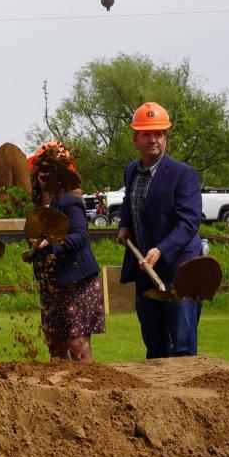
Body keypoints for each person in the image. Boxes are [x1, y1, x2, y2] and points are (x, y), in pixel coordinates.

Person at [118, 102, 203, 358]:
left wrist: (161, 250)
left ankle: (187, 397)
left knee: (183, 345)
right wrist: (124, 225)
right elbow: (128, 201)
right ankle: (158, 398)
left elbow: (189, 222)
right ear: (136, 138)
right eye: (147, 133)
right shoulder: (131, 171)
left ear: (165, 137)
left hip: (179, 272)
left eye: (159, 133)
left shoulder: (184, 174)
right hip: (147, 271)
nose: (153, 139)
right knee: (154, 345)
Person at [25, 141, 104, 363]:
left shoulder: (70, 200)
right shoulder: (39, 204)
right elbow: (42, 241)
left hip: (77, 282)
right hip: (52, 284)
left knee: (77, 347)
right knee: (56, 348)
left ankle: (88, 393)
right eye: (41, 167)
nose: (45, 173)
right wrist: (32, 252)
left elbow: (80, 237)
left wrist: (51, 245)